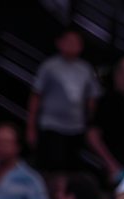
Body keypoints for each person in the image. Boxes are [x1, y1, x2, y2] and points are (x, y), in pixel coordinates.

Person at [29, 27, 96, 172]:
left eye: (76, 42)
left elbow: (92, 97)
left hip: (76, 127)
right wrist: (31, 126)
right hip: (51, 125)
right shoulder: (49, 66)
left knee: (71, 168)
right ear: (59, 43)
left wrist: (90, 121)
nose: (72, 45)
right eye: (68, 41)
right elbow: (36, 95)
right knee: (52, 167)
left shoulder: (86, 69)